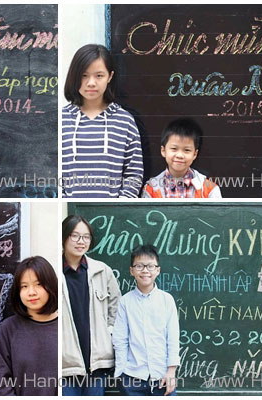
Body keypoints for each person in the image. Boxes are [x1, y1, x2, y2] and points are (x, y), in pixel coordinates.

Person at [62, 44, 144, 198]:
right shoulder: (61, 120)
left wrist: (119, 205)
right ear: (74, 76)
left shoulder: (125, 121)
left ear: (110, 77)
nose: (91, 82)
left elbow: (134, 173)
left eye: (99, 75)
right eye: (84, 75)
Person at [61, 215, 121, 396]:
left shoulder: (102, 271)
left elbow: (116, 306)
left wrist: (107, 331)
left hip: (97, 362)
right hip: (66, 365)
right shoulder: (54, 271)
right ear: (64, 237)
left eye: (86, 237)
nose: (81, 242)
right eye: (75, 236)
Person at [113, 245, 180, 396]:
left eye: (150, 266)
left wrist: (171, 371)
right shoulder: (125, 302)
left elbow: (173, 338)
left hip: (162, 377)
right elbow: (120, 339)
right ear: (131, 270)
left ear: (158, 270)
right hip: (132, 378)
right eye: (139, 266)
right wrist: (120, 373)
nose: (145, 270)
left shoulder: (166, 300)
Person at [0, 256, 59, 395]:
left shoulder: (64, 326)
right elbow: (2, 378)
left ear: (51, 285)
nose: (31, 292)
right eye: (24, 286)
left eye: (38, 284)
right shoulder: (9, 328)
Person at [142, 118, 221, 198]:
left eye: (186, 150)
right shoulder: (150, 188)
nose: (180, 155)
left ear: (195, 154)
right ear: (163, 151)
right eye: (174, 149)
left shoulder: (210, 189)